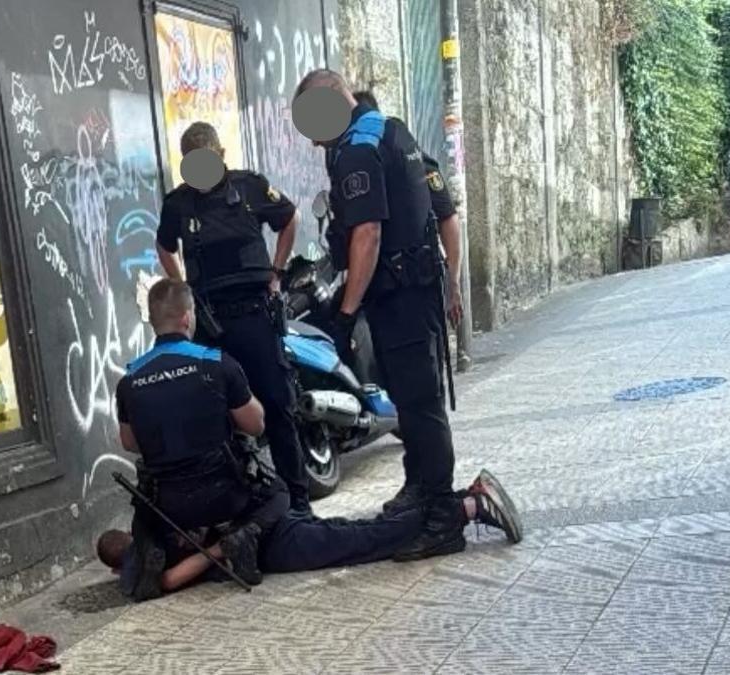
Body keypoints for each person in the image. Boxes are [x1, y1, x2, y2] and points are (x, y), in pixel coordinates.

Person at [293, 69, 469, 561]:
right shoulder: (393, 131)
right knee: (412, 401)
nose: (313, 142)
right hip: (410, 292)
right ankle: (420, 491)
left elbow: (367, 234)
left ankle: (441, 518)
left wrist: (346, 313)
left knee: (420, 404)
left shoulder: (357, 150)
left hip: (400, 298)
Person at [156, 122, 312, 515]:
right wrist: (183, 288)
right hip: (209, 321)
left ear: (221, 155)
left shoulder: (248, 188)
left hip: (254, 313)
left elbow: (289, 218)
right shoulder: (178, 203)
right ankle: (238, 503)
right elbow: (164, 245)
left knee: (277, 405)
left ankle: (298, 502)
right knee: (217, 416)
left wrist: (276, 272)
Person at [98, 469, 522, 598]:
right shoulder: (152, 531)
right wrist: (222, 546)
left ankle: (468, 505)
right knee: (360, 534)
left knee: (362, 540)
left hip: (271, 540)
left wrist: (223, 547)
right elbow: (169, 577)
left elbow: (169, 580)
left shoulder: (148, 547)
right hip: (268, 530)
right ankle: (462, 503)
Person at [115, 278, 288, 594]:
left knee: (142, 518)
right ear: (186, 317)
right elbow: (256, 425)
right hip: (226, 497)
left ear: (153, 321)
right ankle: (234, 541)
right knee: (279, 494)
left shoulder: (129, 379)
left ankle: (153, 549)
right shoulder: (216, 362)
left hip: (170, 506)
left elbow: (129, 443)